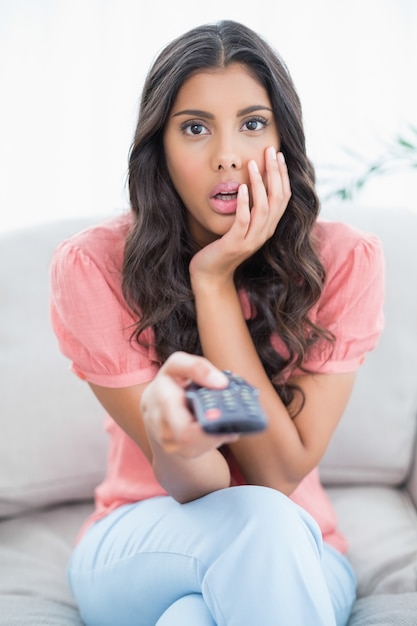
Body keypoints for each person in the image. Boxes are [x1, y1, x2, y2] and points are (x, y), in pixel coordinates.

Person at [50, 20, 384, 626]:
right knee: (259, 522)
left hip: (300, 545)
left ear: (283, 138)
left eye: (252, 124)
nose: (228, 154)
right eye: (196, 128)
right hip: (144, 534)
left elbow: (276, 473)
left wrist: (214, 280)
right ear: (161, 147)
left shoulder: (344, 261)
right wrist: (181, 442)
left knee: (195, 614)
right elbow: (195, 485)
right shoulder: (93, 266)